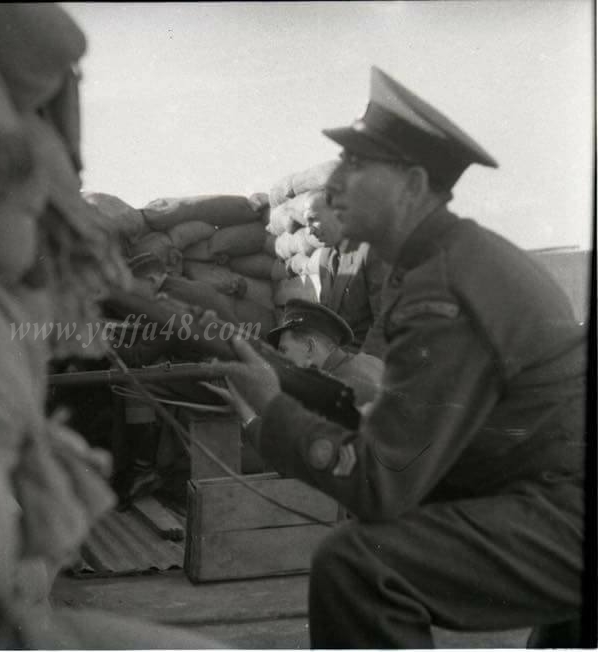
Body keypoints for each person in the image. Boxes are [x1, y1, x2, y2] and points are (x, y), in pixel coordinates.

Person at [211, 66, 586, 648]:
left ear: (412, 184)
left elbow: (384, 479)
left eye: (358, 165)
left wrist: (272, 409)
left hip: (563, 509)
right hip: (543, 489)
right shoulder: (441, 262)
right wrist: (284, 376)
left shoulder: (445, 284)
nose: (335, 183)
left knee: (359, 565)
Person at [304, 190, 391, 357]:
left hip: (365, 359)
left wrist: (360, 365)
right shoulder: (325, 257)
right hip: (335, 357)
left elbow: (385, 322)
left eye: (313, 219)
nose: (309, 232)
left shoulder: (370, 251)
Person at [266, 298, 383, 408]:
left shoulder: (334, 394)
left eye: (284, 350)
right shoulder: (371, 362)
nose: (280, 359)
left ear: (309, 347)